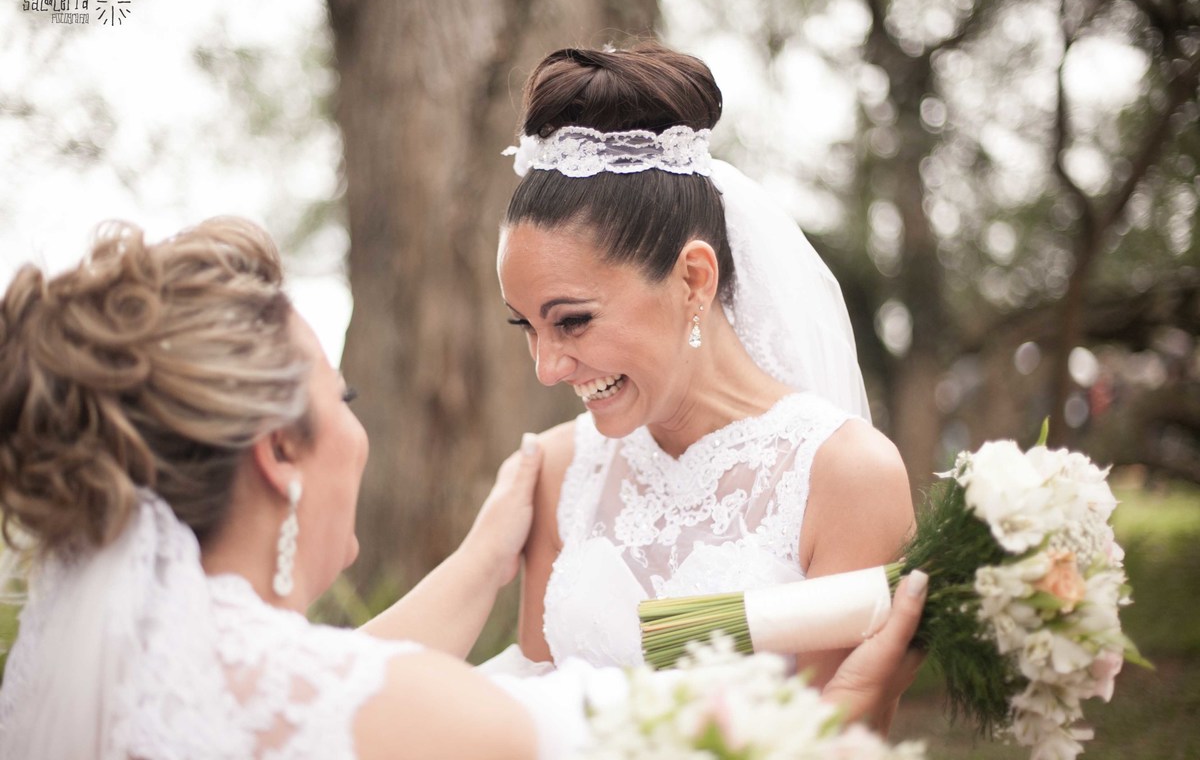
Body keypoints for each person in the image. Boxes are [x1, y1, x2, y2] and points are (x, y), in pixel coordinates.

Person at [0, 217, 925, 758]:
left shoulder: (119, 664)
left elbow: (328, 682)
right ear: (280, 451)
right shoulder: (382, 704)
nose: (547, 365)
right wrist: (835, 719)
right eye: (344, 396)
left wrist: (484, 561)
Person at [497, 43, 916, 715]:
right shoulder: (558, 469)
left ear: (694, 278)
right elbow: (525, 721)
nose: (548, 367)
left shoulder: (845, 477)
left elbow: (841, 742)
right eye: (526, 327)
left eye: (571, 321)